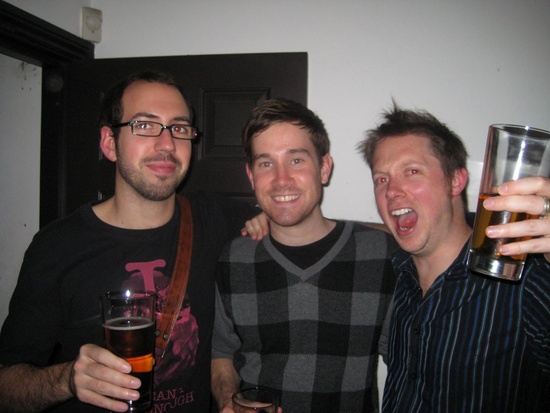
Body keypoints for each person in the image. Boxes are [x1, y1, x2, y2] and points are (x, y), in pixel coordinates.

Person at [0, 71, 265, 413]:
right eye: (145, 125)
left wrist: (270, 219)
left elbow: (293, 216)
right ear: (109, 143)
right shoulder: (56, 246)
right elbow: (6, 385)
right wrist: (67, 379)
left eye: (179, 128)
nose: (167, 144)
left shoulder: (214, 217)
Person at [357, 103, 550, 412]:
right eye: (381, 179)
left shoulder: (523, 277)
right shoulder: (399, 275)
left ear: (456, 181)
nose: (391, 191)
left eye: (412, 171)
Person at [211, 98, 398, 413]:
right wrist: (230, 400)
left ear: (324, 168)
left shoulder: (379, 255)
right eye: (266, 163)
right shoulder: (234, 260)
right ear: (251, 175)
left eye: (296, 160)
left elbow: (408, 363)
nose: (281, 179)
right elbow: (220, 354)